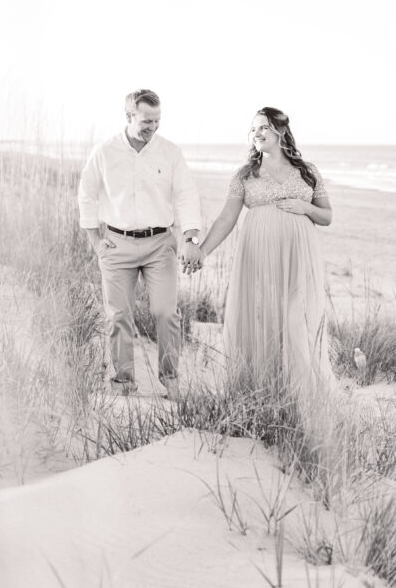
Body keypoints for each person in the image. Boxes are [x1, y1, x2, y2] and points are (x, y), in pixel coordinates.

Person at [197, 107, 333, 402]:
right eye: (254, 129)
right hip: (258, 259)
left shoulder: (307, 172)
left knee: (297, 320)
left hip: (299, 259)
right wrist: (202, 251)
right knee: (263, 319)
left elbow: (327, 216)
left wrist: (305, 208)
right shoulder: (245, 175)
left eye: (263, 128)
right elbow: (226, 219)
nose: (256, 134)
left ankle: (301, 395)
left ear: (281, 131)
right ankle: (263, 393)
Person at [78, 89, 203, 394]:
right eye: (147, 121)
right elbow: (87, 195)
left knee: (165, 312)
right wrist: (96, 241)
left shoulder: (170, 152)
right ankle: (123, 383)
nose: (153, 127)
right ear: (129, 116)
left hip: (160, 243)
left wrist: (190, 237)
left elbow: (186, 194)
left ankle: (171, 380)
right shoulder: (104, 152)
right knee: (118, 315)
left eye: (157, 120)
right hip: (117, 245)